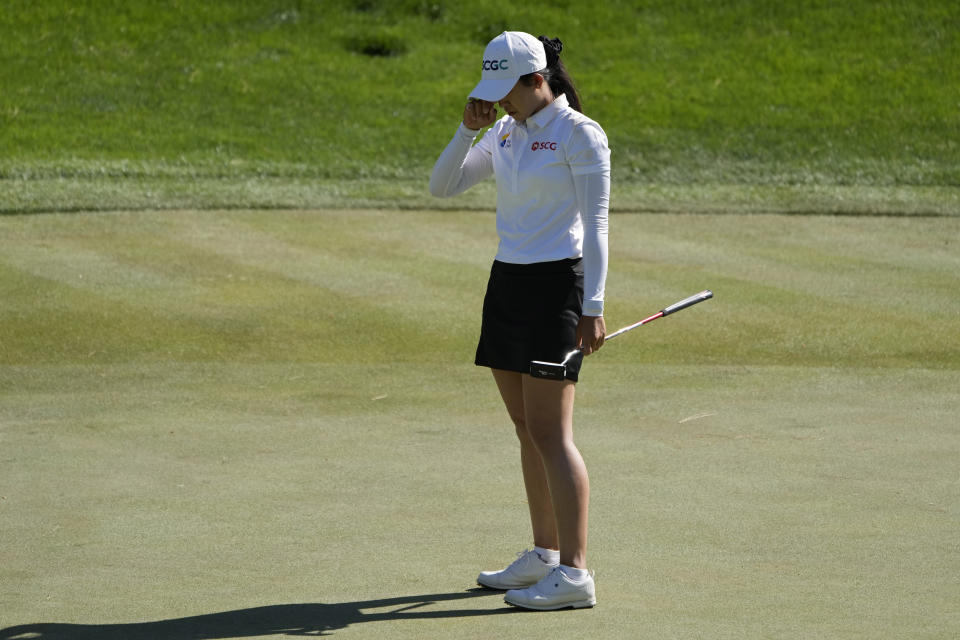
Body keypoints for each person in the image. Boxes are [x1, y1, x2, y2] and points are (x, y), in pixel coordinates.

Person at [430, 31, 611, 610]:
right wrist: (468, 128)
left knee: (553, 437)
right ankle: (545, 554)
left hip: (558, 289)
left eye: (505, 90)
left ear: (537, 80)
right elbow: (443, 185)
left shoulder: (579, 134)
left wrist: (593, 307)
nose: (498, 101)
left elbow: (598, 226)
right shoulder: (505, 131)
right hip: (506, 286)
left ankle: (577, 575)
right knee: (525, 430)